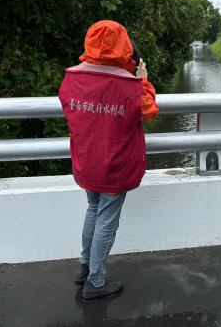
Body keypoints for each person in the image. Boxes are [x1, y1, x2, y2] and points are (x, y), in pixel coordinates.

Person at [58, 20, 159, 300]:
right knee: (107, 220)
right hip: (114, 165)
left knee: (93, 209)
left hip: (86, 160)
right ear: (124, 46)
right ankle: (96, 281)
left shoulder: (72, 77)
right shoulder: (129, 85)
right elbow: (149, 111)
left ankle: (84, 268)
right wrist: (142, 79)